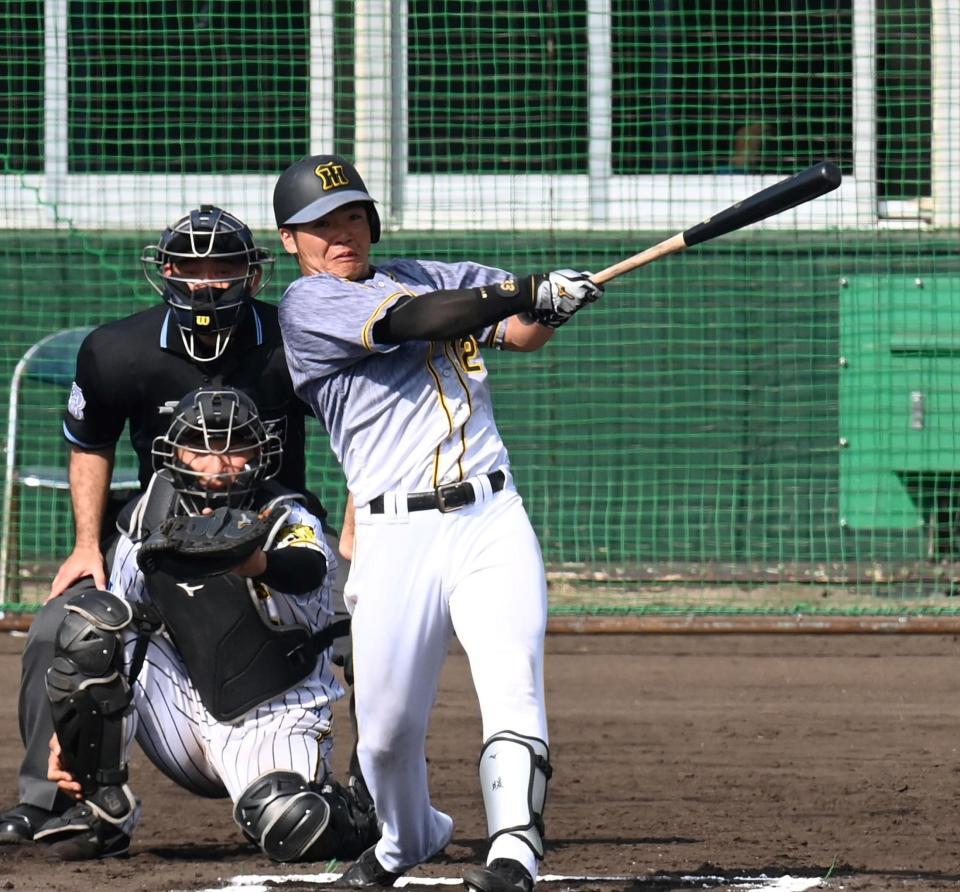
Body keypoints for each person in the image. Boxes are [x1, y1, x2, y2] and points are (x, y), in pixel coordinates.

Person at [272, 154, 604, 892]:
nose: (340, 234)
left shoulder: (430, 271)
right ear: (291, 241)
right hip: (395, 538)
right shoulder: (308, 307)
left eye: (352, 216)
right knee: (385, 738)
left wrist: (548, 308)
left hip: (489, 517)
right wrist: (522, 288)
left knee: (511, 682)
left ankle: (515, 851)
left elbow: (515, 330)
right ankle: (408, 838)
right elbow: (416, 321)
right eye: (319, 225)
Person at [0, 206, 353, 845]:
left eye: (224, 266)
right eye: (192, 266)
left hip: (273, 523)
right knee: (72, 624)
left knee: (373, 623)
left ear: (252, 273)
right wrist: (86, 546)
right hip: (166, 522)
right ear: (165, 271)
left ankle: (375, 788)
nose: (208, 281)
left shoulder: (294, 340)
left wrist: (359, 531)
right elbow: (90, 444)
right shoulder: (117, 350)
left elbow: (362, 429)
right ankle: (69, 795)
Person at [33, 387, 377, 862]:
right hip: (185, 712)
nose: (217, 466)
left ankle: (361, 813)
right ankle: (103, 809)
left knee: (289, 825)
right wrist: (70, 733)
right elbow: (120, 630)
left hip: (275, 713)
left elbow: (306, 570)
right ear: (173, 454)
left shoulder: (288, 516)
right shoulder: (146, 523)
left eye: (234, 448)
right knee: (93, 624)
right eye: (199, 448)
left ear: (262, 453)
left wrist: (251, 561)